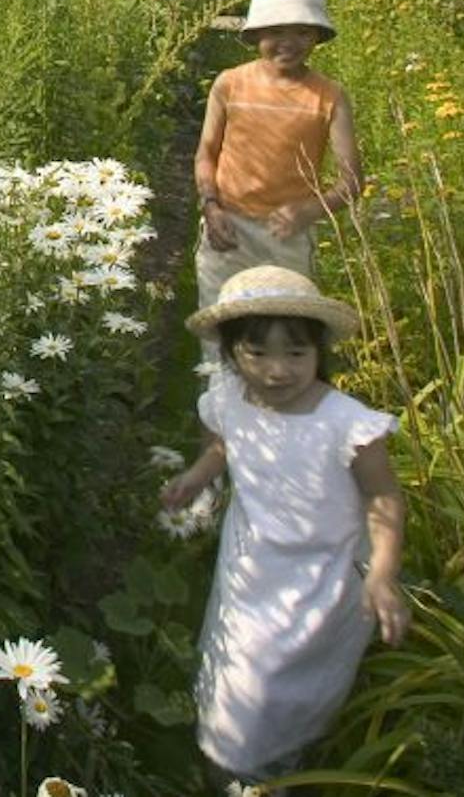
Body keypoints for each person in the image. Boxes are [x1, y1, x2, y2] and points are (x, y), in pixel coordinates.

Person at [161, 265, 409, 785]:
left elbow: (382, 494)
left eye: (295, 353)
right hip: (249, 569)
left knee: (288, 684)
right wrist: (197, 475)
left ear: (320, 352)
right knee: (238, 671)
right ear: (231, 353)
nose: (278, 370)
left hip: (322, 578)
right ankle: (233, 769)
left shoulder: (346, 423)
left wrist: (382, 571)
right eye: (258, 353)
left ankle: (278, 766)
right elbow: (224, 445)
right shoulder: (227, 401)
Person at [193, 0, 361, 310]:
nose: (289, 42)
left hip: (287, 233)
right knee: (221, 321)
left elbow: (352, 180)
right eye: (276, 31)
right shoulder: (230, 84)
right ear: (256, 35)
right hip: (227, 225)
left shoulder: (329, 96)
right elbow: (206, 155)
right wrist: (211, 207)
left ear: (317, 35)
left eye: (302, 31)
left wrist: (308, 212)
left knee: (284, 323)